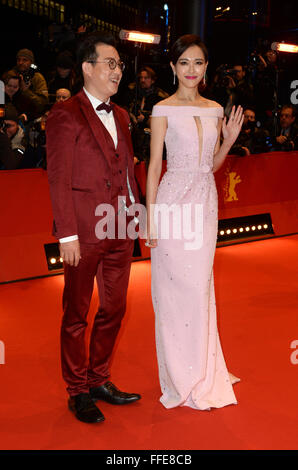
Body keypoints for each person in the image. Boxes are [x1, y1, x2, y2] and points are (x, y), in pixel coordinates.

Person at [46, 32, 141, 424]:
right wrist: (66, 234)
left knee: (115, 307)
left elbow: (128, 169)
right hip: (83, 232)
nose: (118, 71)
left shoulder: (121, 115)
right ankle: (77, 390)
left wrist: (138, 215)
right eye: (111, 63)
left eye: (120, 65)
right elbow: (57, 177)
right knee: (77, 312)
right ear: (88, 68)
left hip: (120, 227)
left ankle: (99, 378)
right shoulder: (64, 114)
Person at [146, 34, 243, 410]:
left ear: (206, 68)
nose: (191, 70)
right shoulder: (161, 109)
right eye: (183, 63)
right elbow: (155, 166)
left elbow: (211, 166)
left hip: (204, 203)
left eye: (198, 63)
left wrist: (229, 141)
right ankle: (179, 374)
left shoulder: (216, 109)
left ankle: (202, 368)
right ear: (172, 68)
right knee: (173, 289)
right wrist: (150, 217)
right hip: (172, 204)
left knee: (200, 285)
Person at [7, 49, 49, 116]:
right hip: (11, 113)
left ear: (31, 62)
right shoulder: (9, 75)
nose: (20, 62)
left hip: (31, 116)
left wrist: (26, 91)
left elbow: (42, 104)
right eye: (18, 60)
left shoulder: (37, 78)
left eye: (24, 60)